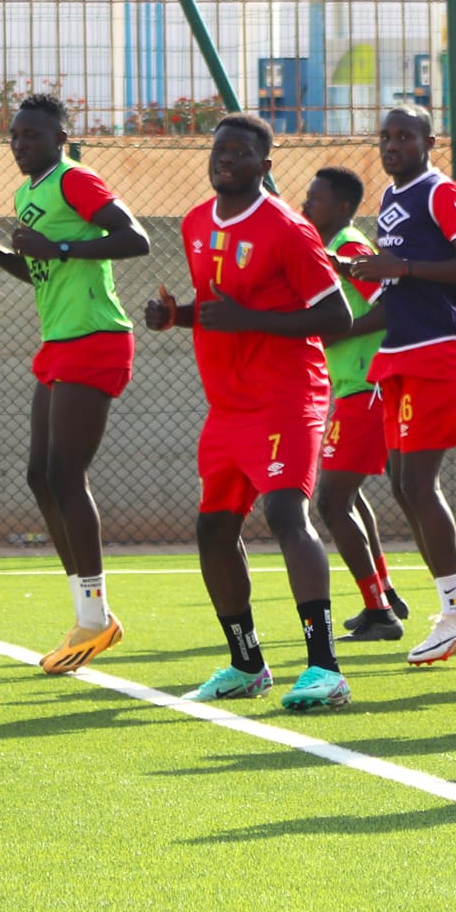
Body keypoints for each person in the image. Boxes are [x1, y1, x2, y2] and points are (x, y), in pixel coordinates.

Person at [146, 114, 354, 710]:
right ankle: (247, 662)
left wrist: (251, 322)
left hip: (286, 395)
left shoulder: (289, 229)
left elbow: (335, 317)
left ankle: (325, 667)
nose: (225, 159)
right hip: (227, 405)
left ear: (266, 166)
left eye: (240, 152)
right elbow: (220, 306)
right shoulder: (193, 223)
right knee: (213, 527)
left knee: (287, 514)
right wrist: (176, 316)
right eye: (219, 150)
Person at [0, 94, 150, 674]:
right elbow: (40, 269)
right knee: (39, 474)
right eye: (15, 136)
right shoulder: (27, 194)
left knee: (66, 474)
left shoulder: (77, 180)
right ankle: (87, 613)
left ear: (59, 138)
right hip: (58, 341)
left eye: (32, 136)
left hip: (95, 336)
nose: (20, 144)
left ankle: (96, 619)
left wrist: (64, 245)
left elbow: (135, 238)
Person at [342, 105, 456, 667]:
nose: (392, 145)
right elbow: (395, 285)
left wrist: (401, 268)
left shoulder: (442, 192)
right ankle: (454, 607)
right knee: (405, 485)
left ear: (431, 140)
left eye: (404, 136)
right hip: (399, 356)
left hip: (436, 354)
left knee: (419, 483)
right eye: (385, 137)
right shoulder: (388, 199)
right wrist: (365, 272)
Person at [300, 167, 412, 644]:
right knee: (348, 495)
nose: (306, 206)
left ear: (343, 207)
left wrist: (334, 330)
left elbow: (392, 308)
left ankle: (380, 612)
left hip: (368, 388)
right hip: (353, 386)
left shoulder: (350, 248)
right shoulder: (331, 249)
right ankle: (382, 593)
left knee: (330, 499)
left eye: (316, 199)